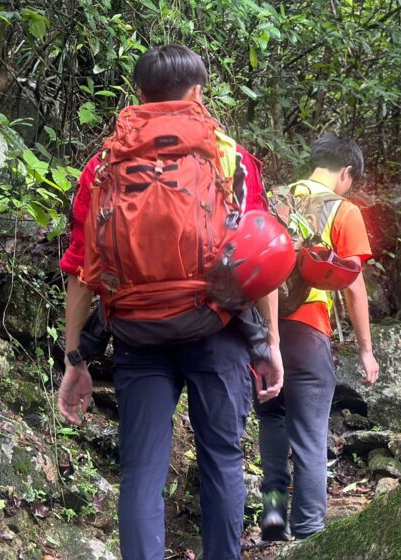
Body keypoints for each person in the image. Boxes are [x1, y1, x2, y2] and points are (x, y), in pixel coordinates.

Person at [56, 44, 283, 560]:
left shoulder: (103, 164)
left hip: (136, 335)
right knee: (222, 462)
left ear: (138, 94)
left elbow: (79, 271)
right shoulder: (230, 158)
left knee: (140, 470)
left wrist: (75, 359)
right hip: (217, 330)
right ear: (198, 92)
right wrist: (268, 343)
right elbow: (260, 254)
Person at [257, 133, 380, 542]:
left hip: (263, 330)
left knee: (273, 422)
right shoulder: (343, 210)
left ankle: (273, 517)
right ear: (346, 172)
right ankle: (310, 532)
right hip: (309, 330)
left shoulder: (274, 199)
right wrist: (365, 350)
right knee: (310, 435)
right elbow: (354, 286)